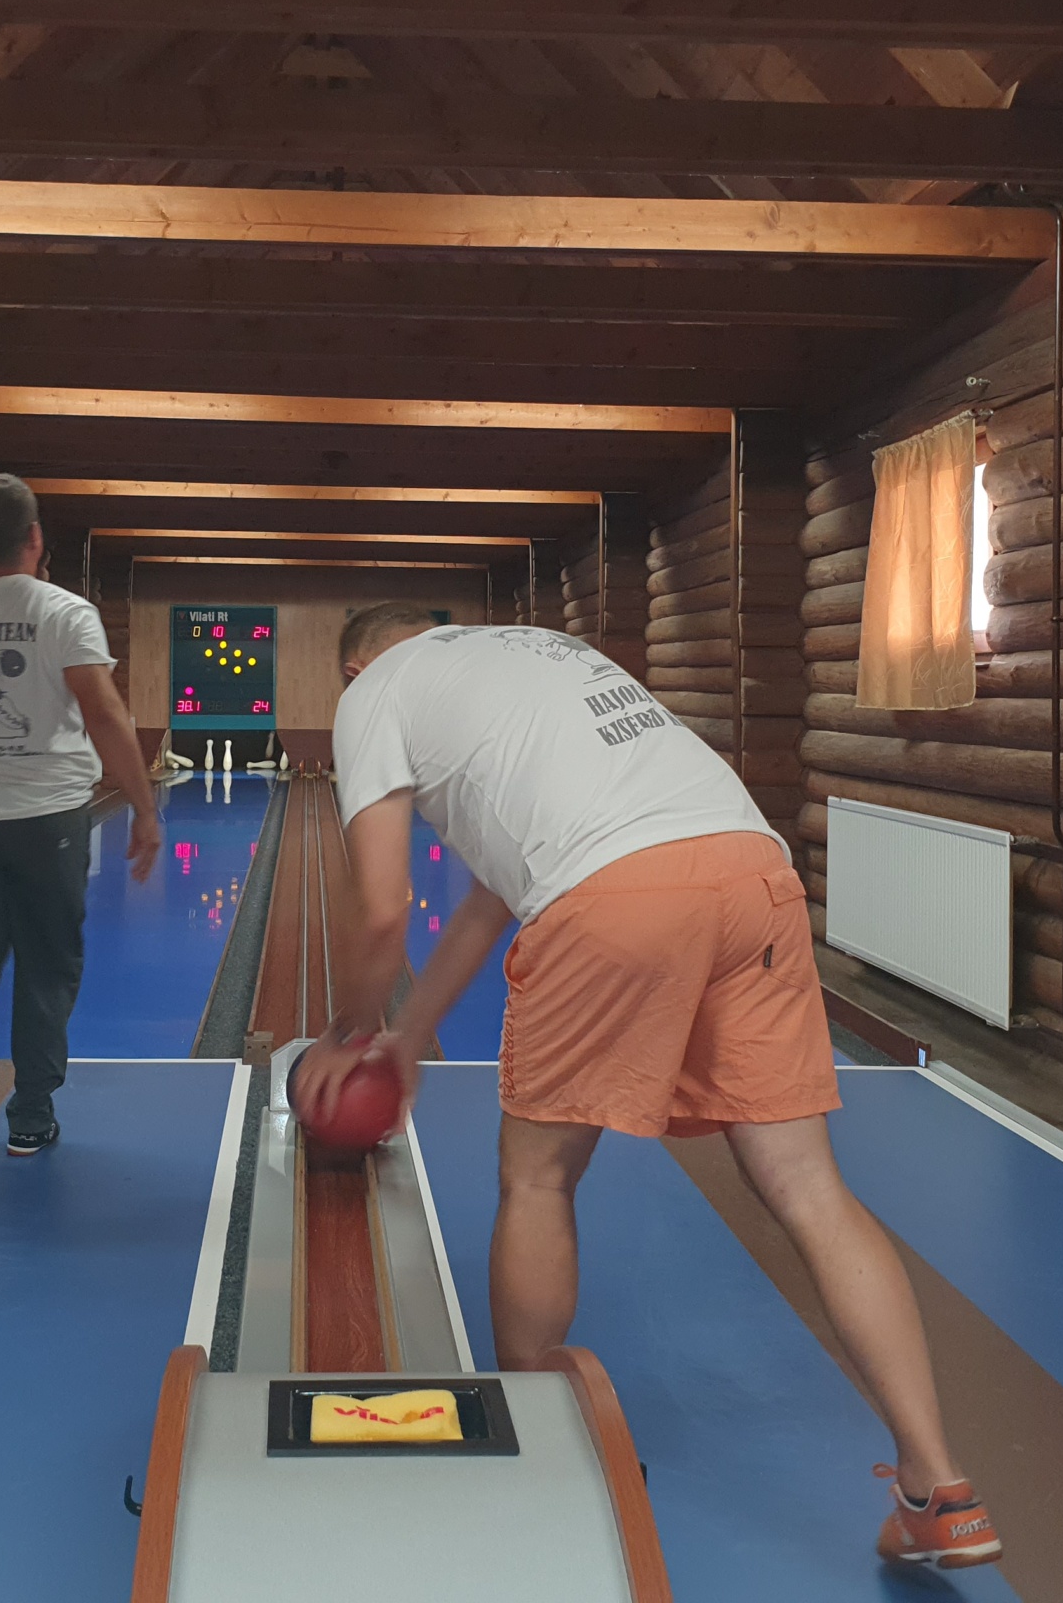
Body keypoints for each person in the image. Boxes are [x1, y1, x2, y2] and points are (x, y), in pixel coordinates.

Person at [292, 606, 1001, 1571]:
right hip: (752, 873)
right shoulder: (537, 655)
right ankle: (940, 1489)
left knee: (538, 1178)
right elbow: (490, 903)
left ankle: (532, 1451)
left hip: (614, 893)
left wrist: (349, 1035)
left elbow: (381, 910)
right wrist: (410, 1037)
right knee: (807, 1186)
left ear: (354, 668)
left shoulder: (375, 690)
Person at [0, 473, 160, 1192]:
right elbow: (103, 713)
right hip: (49, 820)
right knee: (47, 966)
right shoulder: (64, 612)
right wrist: (143, 807)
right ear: (35, 538)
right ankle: (31, 1116)